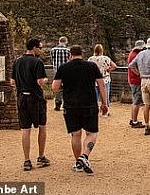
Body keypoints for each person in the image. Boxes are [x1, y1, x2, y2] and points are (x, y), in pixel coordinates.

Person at [52, 45, 108, 175]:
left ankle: (78, 162)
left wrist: (65, 87)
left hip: (70, 105)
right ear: (82, 54)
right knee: (92, 133)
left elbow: (55, 87)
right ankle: (85, 156)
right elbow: (101, 85)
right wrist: (104, 103)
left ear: (70, 55)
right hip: (89, 104)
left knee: (75, 134)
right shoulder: (91, 66)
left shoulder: (63, 68)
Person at [10, 37, 50, 171]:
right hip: (36, 98)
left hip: (22, 98)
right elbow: (40, 82)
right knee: (42, 127)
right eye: (40, 47)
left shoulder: (17, 61)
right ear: (34, 48)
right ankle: (41, 156)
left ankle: (27, 160)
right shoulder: (37, 62)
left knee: (25, 130)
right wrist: (45, 79)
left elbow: (12, 81)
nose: (41, 50)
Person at [88, 44, 117, 117]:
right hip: (104, 79)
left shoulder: (91, 59)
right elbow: (114, 66)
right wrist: (108, 69)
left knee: (94, 96)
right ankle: (105, 111)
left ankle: (93, 111)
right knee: (105, 95)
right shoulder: (106, 58)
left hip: (93, 80)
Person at [127, 39, 146, 128]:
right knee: (137, 101)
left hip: (132, 80)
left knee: (135, 100)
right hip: (136, 80)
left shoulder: (132, 53)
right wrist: (139, 74)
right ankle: (134, 121)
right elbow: (132, 67)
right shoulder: (135, 55)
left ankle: (133, 119)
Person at [50, 36, 70, 111]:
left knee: (58, 88)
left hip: (56, 71)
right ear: (66, 42)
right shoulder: (68, 50)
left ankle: (58, 103)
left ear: (59, 41)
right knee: (67, 88)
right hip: (67, 71)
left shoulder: (53, 50)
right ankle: (66, 104)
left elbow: (52, 60)